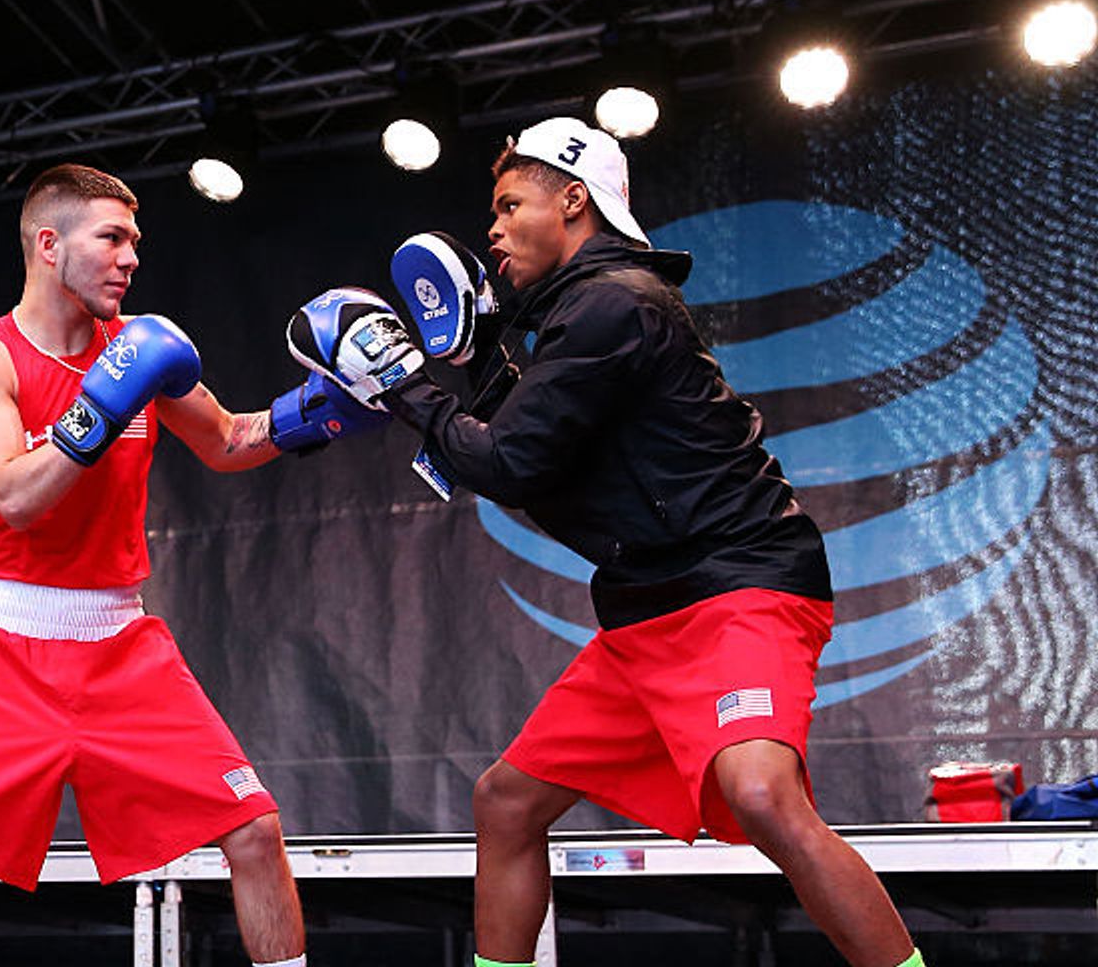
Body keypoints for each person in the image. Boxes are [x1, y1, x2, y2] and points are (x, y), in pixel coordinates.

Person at [289, 116, 924, 967]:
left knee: (764, 796)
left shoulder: (615, 301)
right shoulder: (576, 318)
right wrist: (478, 363)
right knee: (506, 804)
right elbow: (548, 470)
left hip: (740, 586)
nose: (494, 227)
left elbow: (507, 461)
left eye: (512, 203)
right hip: (648, 611)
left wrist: (403, 377)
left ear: (574, 199)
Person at [0, 163, 379, 967]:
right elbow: (14, 495)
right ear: (50, 246)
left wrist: (318, 413)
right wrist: (102, 407)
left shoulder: (138, 350)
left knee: (254, 829)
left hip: (121, 644)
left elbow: (225, 439)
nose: (131, 258)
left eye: (135, 242)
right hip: (6, 647)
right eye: (112, 238)